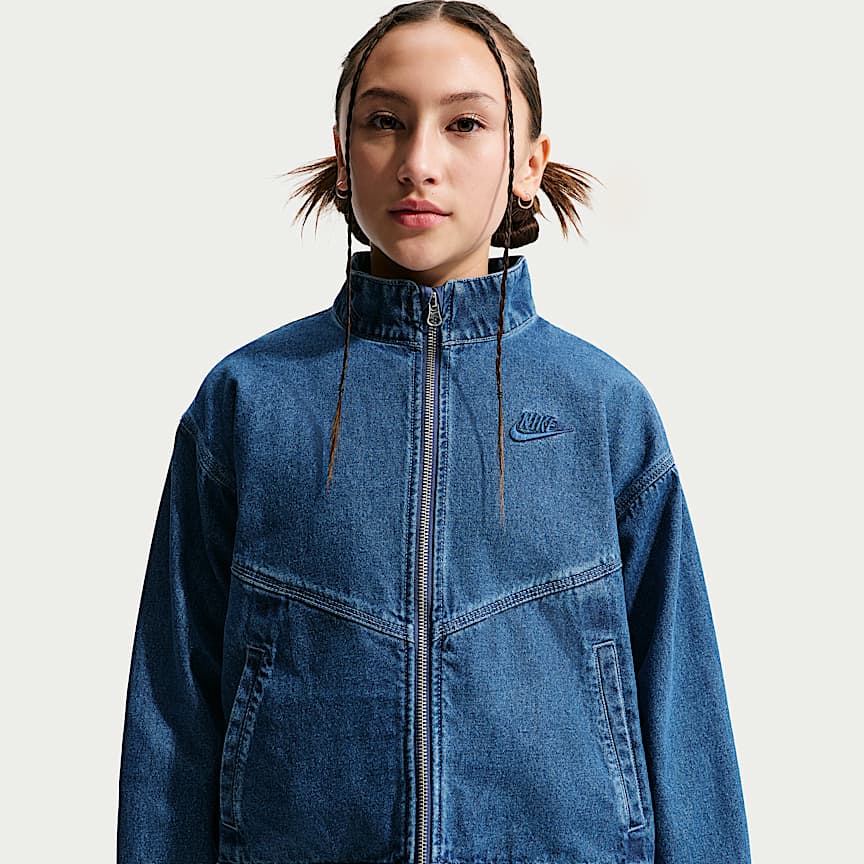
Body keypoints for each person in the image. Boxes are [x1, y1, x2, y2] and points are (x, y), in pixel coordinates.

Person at [117, 3, 752, 863]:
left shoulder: (604, 408)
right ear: (344, 156)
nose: (419, 161)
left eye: (465, 124)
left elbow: (682, 706)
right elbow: (173, 710)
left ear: (528, 164)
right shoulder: (249, 402)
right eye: (384, 122)